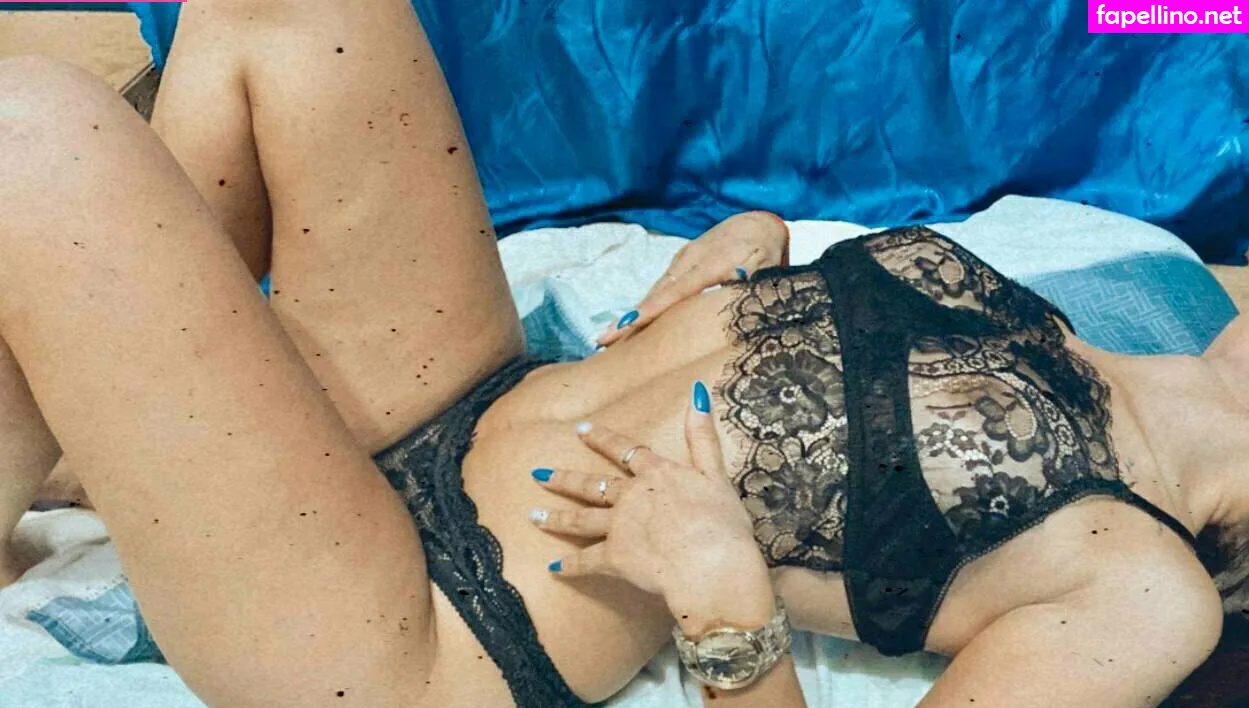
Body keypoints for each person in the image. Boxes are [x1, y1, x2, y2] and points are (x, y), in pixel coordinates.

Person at [0, 1, 1242, 706]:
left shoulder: (1147, 595)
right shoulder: (1119, 335)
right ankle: (91, 442)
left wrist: (720, 592)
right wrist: (764, 253)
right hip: (475, 398)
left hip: (427, 631)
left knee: (36, 135)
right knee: (298, 10)